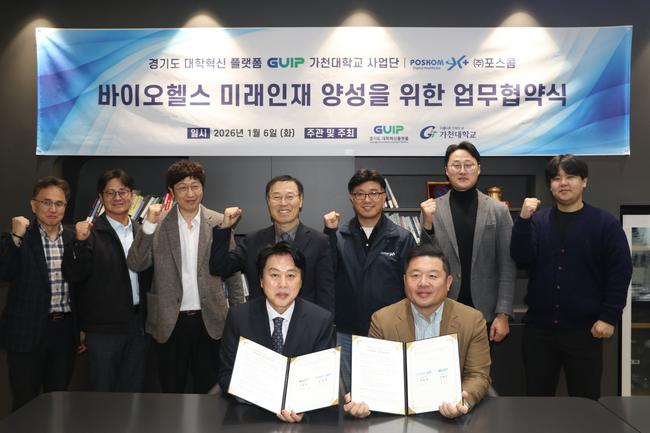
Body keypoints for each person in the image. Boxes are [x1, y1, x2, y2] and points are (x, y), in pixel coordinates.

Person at [511, 154, 632, 399]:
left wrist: (609, 317)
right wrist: (522, 220)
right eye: (556, 178)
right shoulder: (537, 221)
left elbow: (620, 271)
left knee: (586, 400)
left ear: (584, 181)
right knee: (536, 401)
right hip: (539, 331)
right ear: (550, 185)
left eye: (571, 177)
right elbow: (521, 257)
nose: (563, 183)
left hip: (585, 331)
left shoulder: (605, 223)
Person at [127, 160, 245, 393]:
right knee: (171, 390)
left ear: (203, 188)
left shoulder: (219, 222)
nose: (190, 194)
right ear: (171, 192)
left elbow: (232, 273)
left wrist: (238, 315)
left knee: (209, 391)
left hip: (210, 320)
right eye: (182, 188)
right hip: (169, 321)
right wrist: (148, 226)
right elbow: (137, 263)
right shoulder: (158, 223)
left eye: (195, 186)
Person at [344, 243, 491, 419]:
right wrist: (363, 399)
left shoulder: (472, 320)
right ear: (405, 281)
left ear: (448, 282)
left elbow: (478, 375)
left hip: (450, 415)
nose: (423, 283)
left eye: (432, 276)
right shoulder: (382, 320)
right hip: (399, 418)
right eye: (415, 276)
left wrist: (462, 400)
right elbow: (373, 377)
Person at [218, 241, 334, 423]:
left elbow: (323, 381)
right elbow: (226, 375)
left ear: (301, 281)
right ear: (261, 280)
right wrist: (261, 395)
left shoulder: (320, 320)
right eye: (274, 275)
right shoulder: (238, 317)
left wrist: (302, 406)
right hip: (250, 417)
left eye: (291, 275)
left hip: (299, 420)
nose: (283, 284)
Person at [323, 169, 416, 391]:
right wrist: (329, 234)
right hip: (347, 332)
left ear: (384, 197)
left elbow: (412, 286)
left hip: (389, 332)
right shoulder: (338, 236)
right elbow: (326, 276)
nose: (367, 199)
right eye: (360, 194)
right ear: (351, 198)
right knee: (350, 395)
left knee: (388, 391)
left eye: (374, 193)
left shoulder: (402, 238)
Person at [63, 169, 151, 392]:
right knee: (103, 395)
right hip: (102, 331)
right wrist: (79, 243)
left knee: (134, 395)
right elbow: (74, 275)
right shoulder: (89, 233)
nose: (117, 197)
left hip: (138, 328)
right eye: (110, 193)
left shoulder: (143, 232)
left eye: (123, 191)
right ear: (101, 198)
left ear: (132, 196)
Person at [420, 141, 516, 343]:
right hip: (442, 309)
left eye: (468, 165)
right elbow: (425, 261)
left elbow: (507, 266)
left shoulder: (498, 210)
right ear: (446, 170)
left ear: (478, 168)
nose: (462, 171)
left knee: (480, 364)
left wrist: (503, 314)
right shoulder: (432, 210)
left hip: (485, 312)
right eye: (456, 165)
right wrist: (427, 226)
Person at [0, 176, 78, 410]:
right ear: (33, 205)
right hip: (26, 333)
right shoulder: (18, 237)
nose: (53, 209)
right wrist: (15, 238)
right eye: (46, 202)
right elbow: (4, 273)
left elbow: (82, 286)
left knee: (58, 402)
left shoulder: (74, 238)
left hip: (64, 331)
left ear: (65, 207)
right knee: (25, 402)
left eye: (59, 203)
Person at [210, 174, 334, 313]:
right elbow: (219, 268)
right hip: (260, 321)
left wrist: (324, 325)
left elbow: (326, 293)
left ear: (300, 200)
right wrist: (225, 228)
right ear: (268, 201)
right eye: (276, 197)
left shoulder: (319, 242)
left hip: (305, 321)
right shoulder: (252, 241)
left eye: (289, 197)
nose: (283, 203)